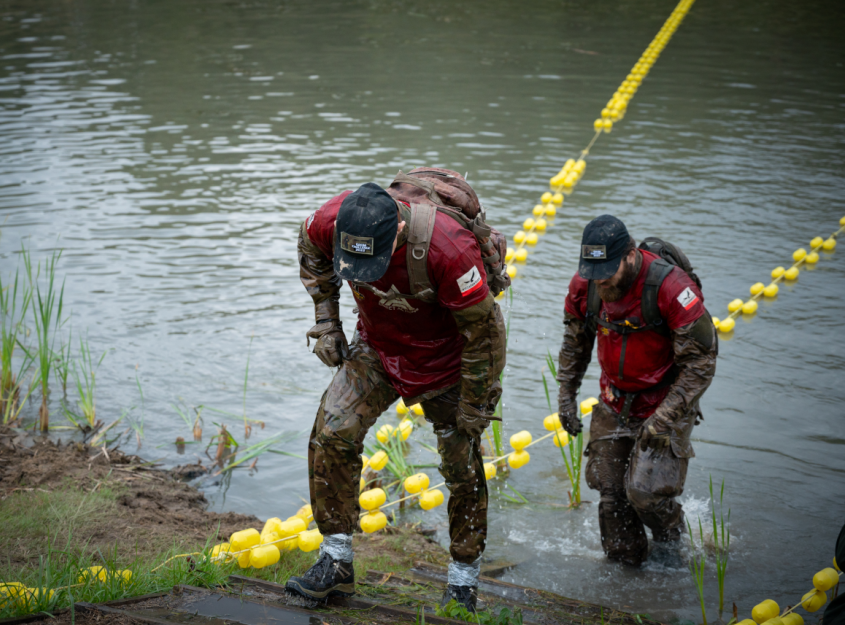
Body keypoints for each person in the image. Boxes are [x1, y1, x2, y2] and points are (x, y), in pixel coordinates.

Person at [286, 178, 507, 611]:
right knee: (332, 430)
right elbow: (310, 250)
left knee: (460, 464)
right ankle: (336, 561)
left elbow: (483, 332)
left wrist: (476, 400)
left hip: (450, 360)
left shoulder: (449, 248)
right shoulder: (329, 222)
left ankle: (463, 582)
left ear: (399, 233)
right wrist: (327, 321)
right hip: (379, 348)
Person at [556, 214, 717, 566]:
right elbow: (574, 344)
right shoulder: (586, 285)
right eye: (592, 274)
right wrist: (566, 396)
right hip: (615, 400)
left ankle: (674, 548)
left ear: (630, 256)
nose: (600, 283)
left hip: (666, 399)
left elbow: (701, 363)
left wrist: (664, 419)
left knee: (645, 494)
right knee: (611, 494)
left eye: (607, 273)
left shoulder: (671, 288)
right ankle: (626, 577)